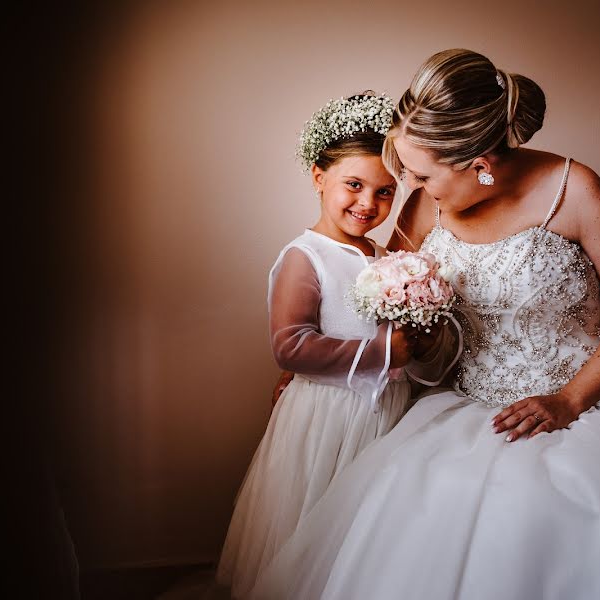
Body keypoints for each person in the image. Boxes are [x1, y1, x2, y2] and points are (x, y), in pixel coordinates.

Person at [248, 49, 600, 599]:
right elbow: (388, 293)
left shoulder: (575, 191)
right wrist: (325, 368)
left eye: (420, 173)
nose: (408, 185)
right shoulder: (429, 206)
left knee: (596, 502)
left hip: (585, 400)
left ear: (478, 160)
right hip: (462, 406)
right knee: (424, 503)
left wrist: (569, 400)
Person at [216, 93, 423, 598]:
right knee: (315, 525)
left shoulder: (383, 254)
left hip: (384, 409)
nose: (367, 204)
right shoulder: (304, 256)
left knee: (365, 531)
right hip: (329, 416)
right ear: (318, 177)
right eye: (354, 185)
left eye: (384, 192)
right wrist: (385, 352)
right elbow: (290, 346)